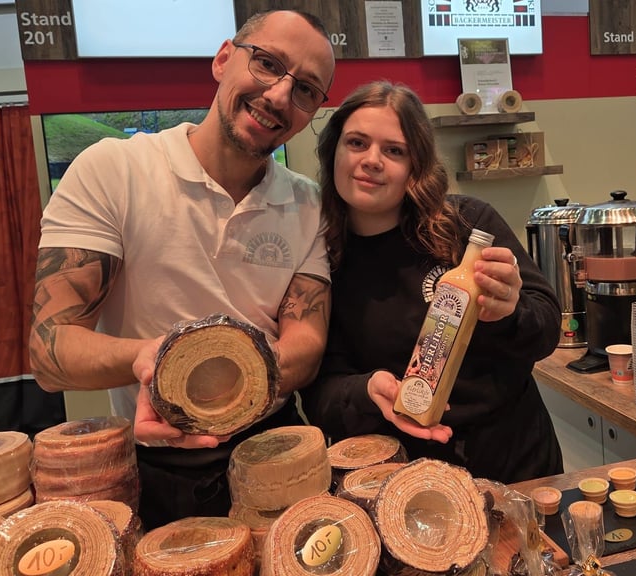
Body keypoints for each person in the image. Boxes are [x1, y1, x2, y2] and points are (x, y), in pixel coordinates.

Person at [28, 10, 336, 529]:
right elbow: (50, 350)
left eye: (305, 89)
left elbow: (305, 342)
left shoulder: (308, 204)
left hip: (278, 451)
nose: (281, 96)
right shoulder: (112, 170)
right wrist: (159, 360)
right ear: (222, 59)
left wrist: (224, 382)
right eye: (267, 64)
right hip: (155, 458)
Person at [301, 81, 563, 483]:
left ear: (415, 165)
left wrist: (510, 312)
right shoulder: (320, 257)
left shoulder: (468, 226)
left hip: (513, 459)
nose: (372, 160)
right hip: (398, 475)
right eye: (357, 143)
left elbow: (546, 329)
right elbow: (319, 392)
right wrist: (366, 390)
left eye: (394, 150)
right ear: (333, 150)